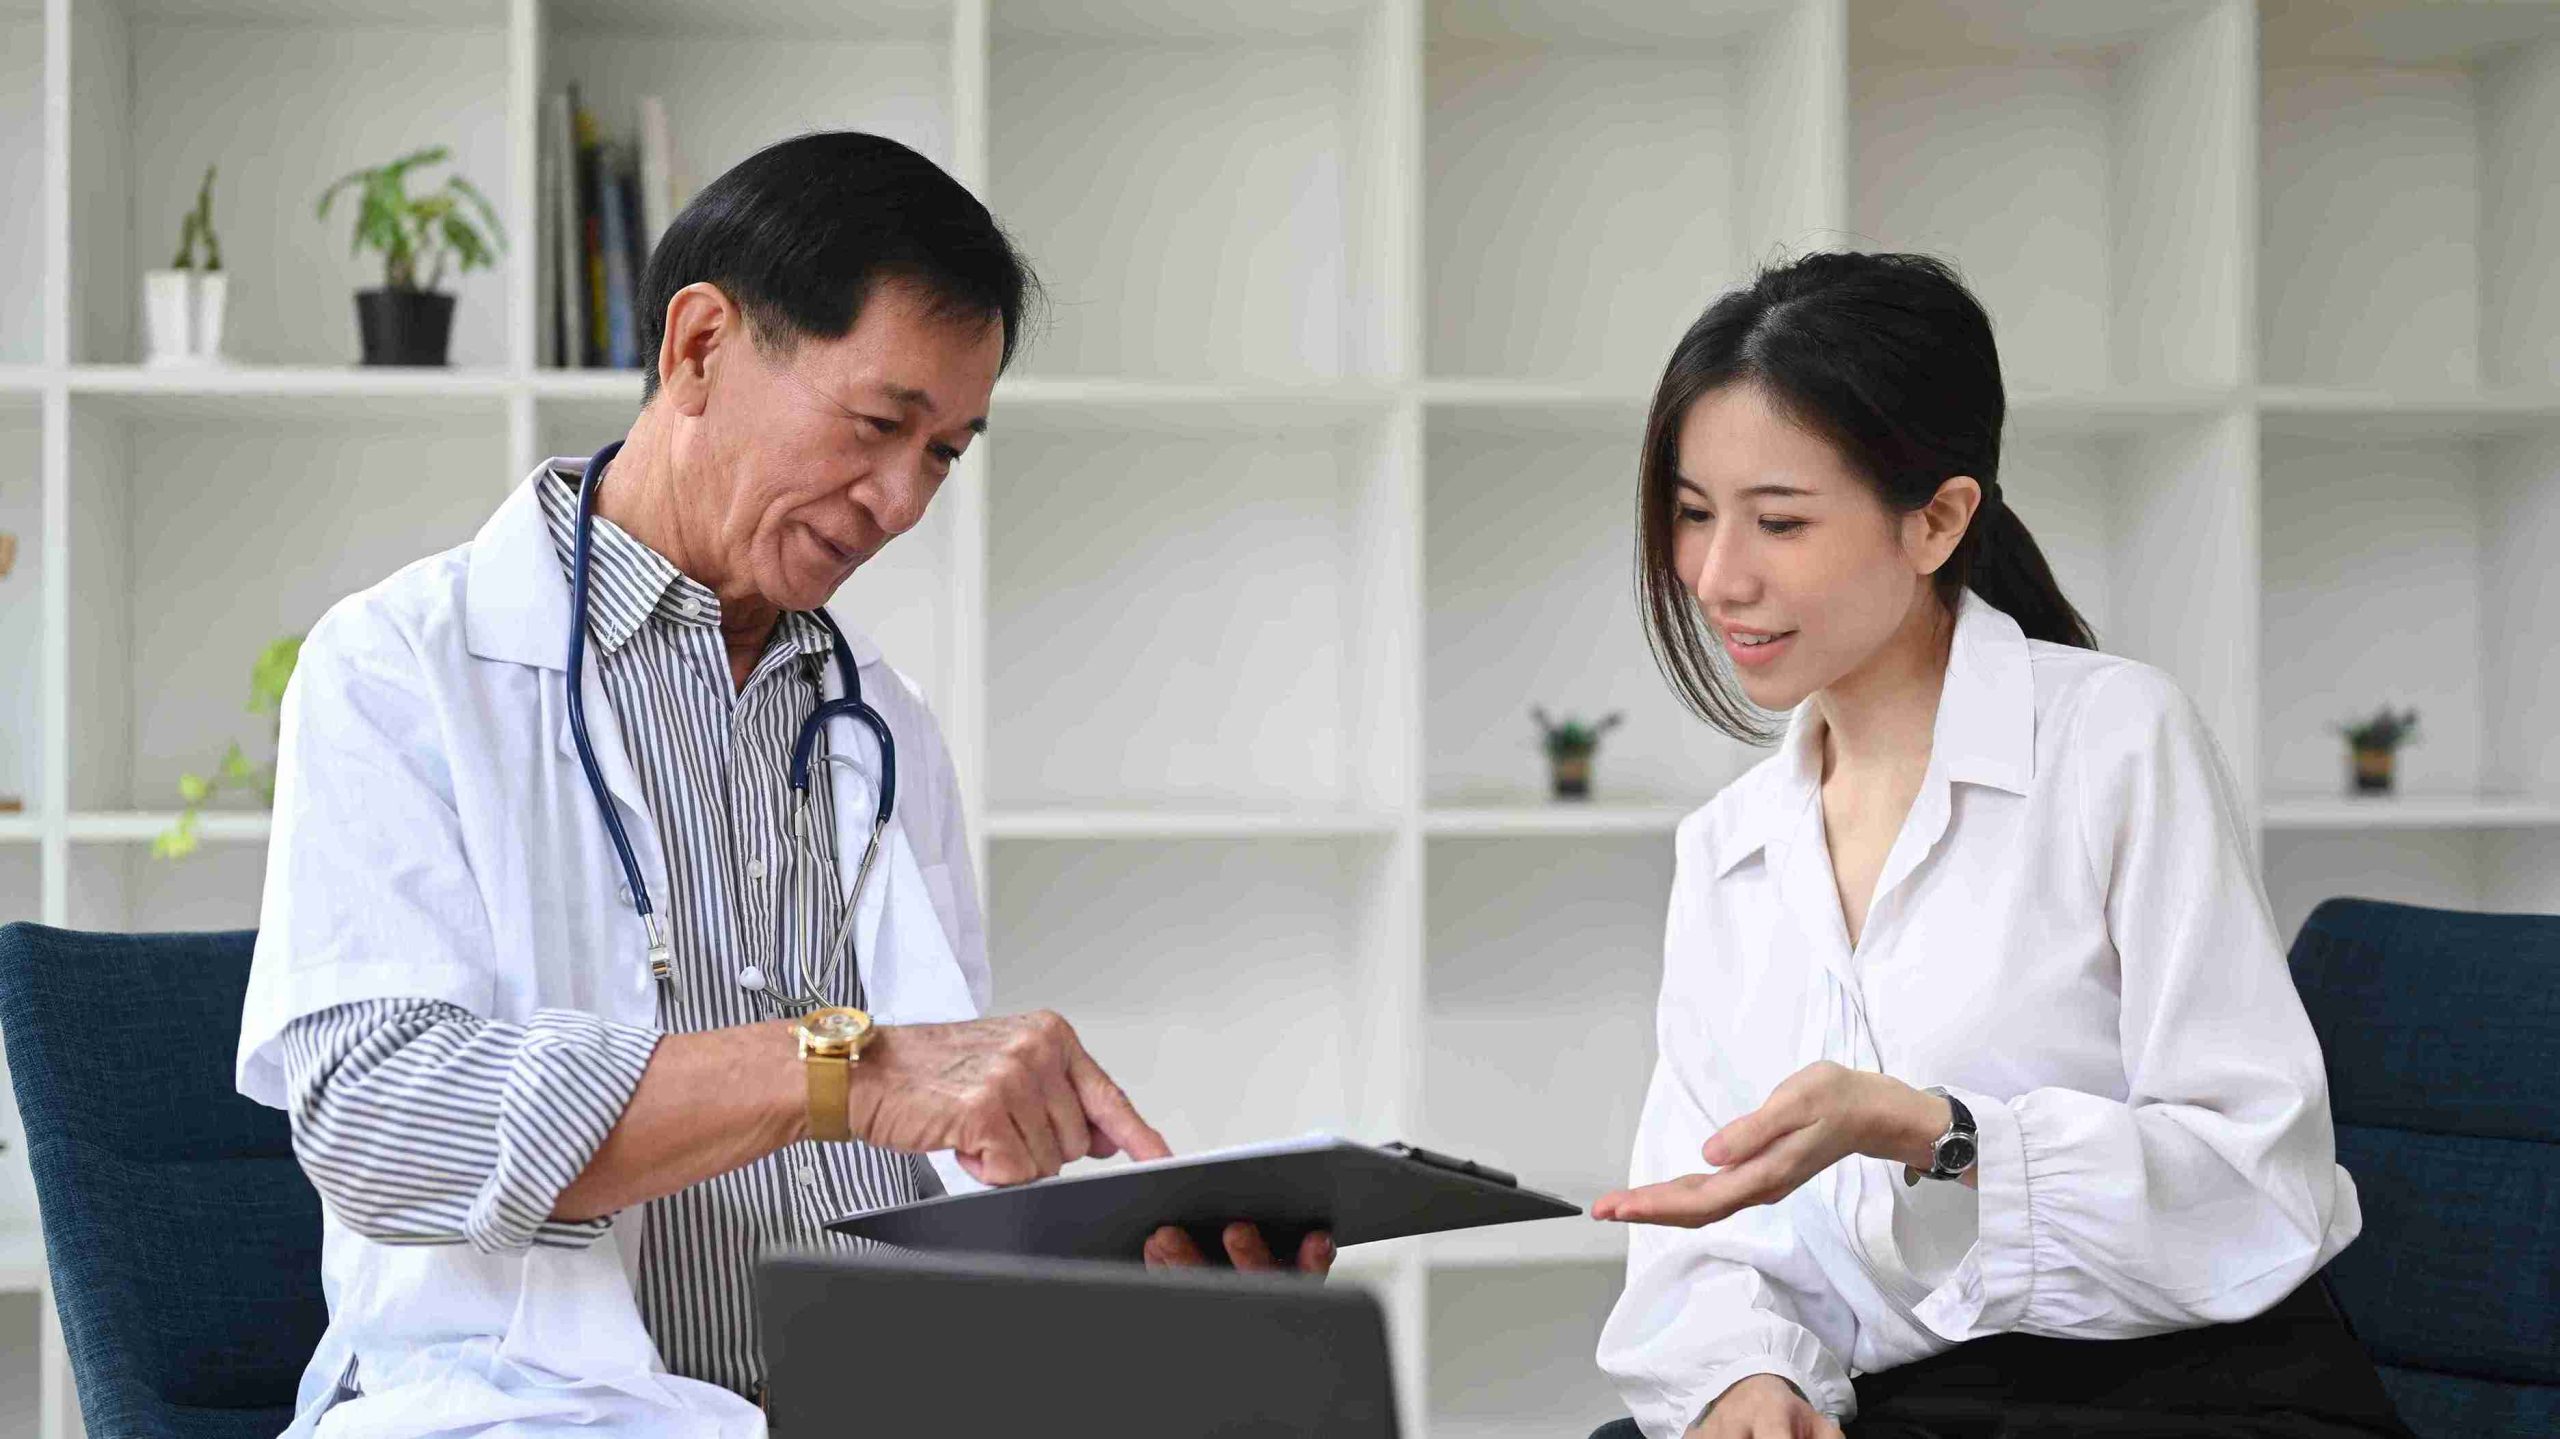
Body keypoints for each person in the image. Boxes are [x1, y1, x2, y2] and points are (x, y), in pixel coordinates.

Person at [237, 132, 1326, 1439]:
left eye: (946, 452)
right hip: (532, 1408)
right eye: (879, 424)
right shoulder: (402, 666)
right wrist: (837, 1066)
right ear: (698, 348)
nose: (903, 499)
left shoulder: (884, 727)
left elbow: (925, 1157)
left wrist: (1115, 1263)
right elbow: (379, 1119)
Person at [1586, 253, 2407, 1439]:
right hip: (1904, 1404)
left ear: (1937, 518)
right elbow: (1705, 1235)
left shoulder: (2114, 741)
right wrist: (1748, 1377)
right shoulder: (1728, 850)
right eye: (1692, 512)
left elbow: (2256, 1179)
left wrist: (1934, 1128)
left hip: (2189, 1393)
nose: (1717, 575)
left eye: (1777, 520)